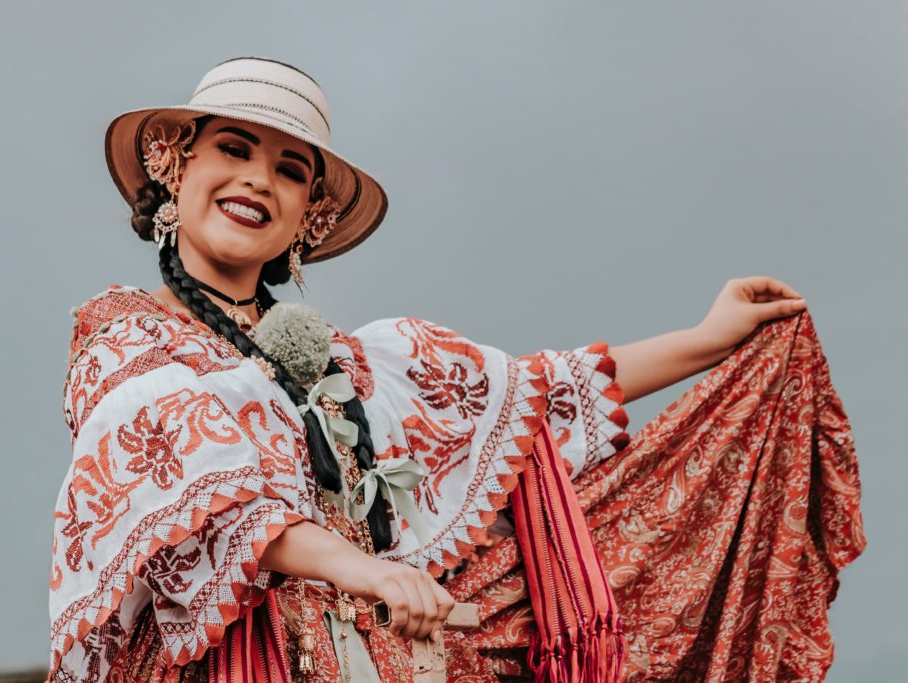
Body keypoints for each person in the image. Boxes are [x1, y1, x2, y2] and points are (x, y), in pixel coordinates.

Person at [48, 57, 864, 682]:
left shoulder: (363, 361)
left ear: (306, 217)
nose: (259, 177)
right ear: (176, 169)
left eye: (291, 170)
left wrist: (709, 338)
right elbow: (200, 490)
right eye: (234, 147)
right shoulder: (126, 335)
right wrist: (364, 567)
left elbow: (539, 391)